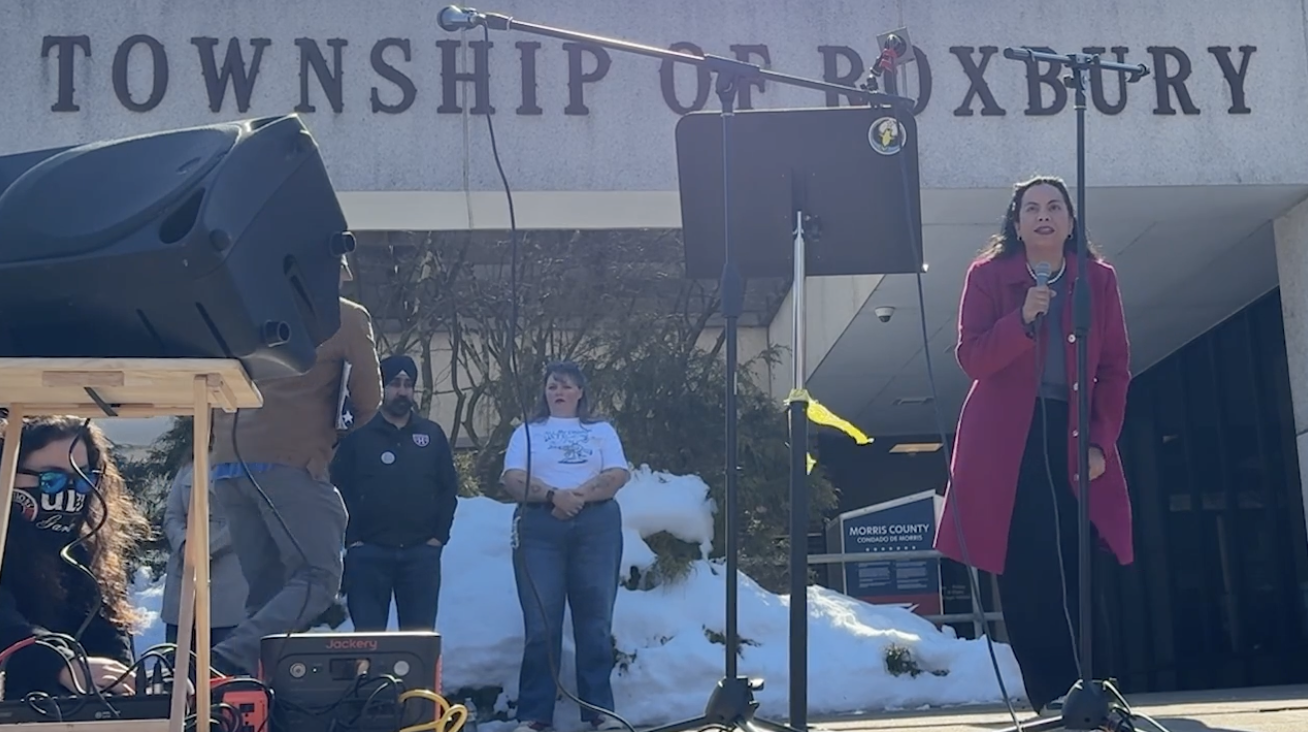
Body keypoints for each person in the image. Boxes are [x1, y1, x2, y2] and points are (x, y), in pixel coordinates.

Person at [933, 176, 1133, 714]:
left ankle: (1097, 692)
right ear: (1016, 224)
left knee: (1080, 564)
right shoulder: (987, 276)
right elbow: (973, 358)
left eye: (1054, 207)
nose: (1043, 216)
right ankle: (1050, 698)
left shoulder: (1098, 279)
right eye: (1032, 208)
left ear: (1070, 221)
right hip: (1004, 443)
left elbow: (1115, 369)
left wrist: (1100, 442)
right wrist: (1021, 319)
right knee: (1024, 568)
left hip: (1073, 434)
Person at [207, 256, 383, 677]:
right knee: (319, 576)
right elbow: (369, 401)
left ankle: (247, 685)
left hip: (228, 464)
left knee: (267, 592)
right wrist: (328, 439)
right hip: (289, 462)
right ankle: (230, 656)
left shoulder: (241, 309)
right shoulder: (344, 316)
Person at [501, 362, 630, 732]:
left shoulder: (601, 431)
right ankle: (535, 714)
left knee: (595, 622)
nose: (559, 392)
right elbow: (513, 477)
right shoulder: (528, 432)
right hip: (540, 527)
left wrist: (576, 497)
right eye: (553, 386)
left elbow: (616, 474)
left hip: (596, 526)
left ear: (581, 393)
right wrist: (553, 495)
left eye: (567, 386)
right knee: (541, 624)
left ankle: (599, 711)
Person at [0, 416, 150, 700]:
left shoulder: (84, 547)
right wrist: (60, 664)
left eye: (82, 481)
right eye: (51, 480)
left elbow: (108, 637)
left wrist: (131, 687)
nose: (68, 492)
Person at [332, 354, 460, 632]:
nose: (402, 391)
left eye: (408, 384)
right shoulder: (358, 437)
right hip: (368, 555)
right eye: (394, 383)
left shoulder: (432, 435)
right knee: (368, 641)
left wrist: (438, 538)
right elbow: (338, 489)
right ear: (382, 387)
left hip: (420, 556)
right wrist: (352, 540)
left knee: (419, 642)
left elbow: (448, 489)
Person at [160, 460, 249, 649]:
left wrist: (206, 549)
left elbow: (245, 518)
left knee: (222, 658)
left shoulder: (247, 463)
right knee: (179, 657)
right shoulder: (189, 465)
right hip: (184, 575)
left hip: (228, 580)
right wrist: (185, 544)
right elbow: (172, 515)